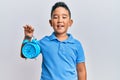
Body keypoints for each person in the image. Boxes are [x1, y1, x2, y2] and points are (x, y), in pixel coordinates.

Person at [21, 1, 87, 80]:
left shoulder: (76, 44)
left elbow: (81, 70)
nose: (59, 20)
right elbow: (24, 54)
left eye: (64, 17)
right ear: (51, 22)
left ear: (70, 22)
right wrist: (28, 37)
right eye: (55, 17)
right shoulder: (44, 42)